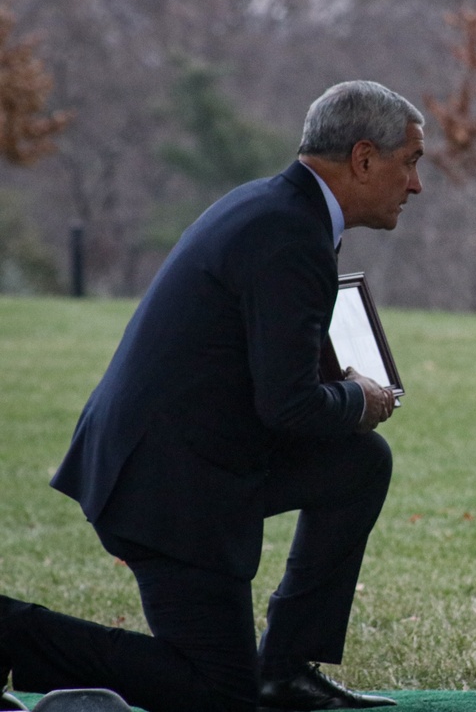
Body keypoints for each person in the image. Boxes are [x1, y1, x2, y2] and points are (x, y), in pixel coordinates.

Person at [0, 81, 424, 712]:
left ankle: (284, 670)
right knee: (218, 696)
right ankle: (8, 634)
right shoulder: (291, 233)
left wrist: (345, 399)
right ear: (363, 158)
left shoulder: (279, 209)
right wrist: (360, 399)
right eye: (410, 162)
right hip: (167, 486)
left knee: (358, 465)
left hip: (189, 459)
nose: (416, 184)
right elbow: (291, 408)